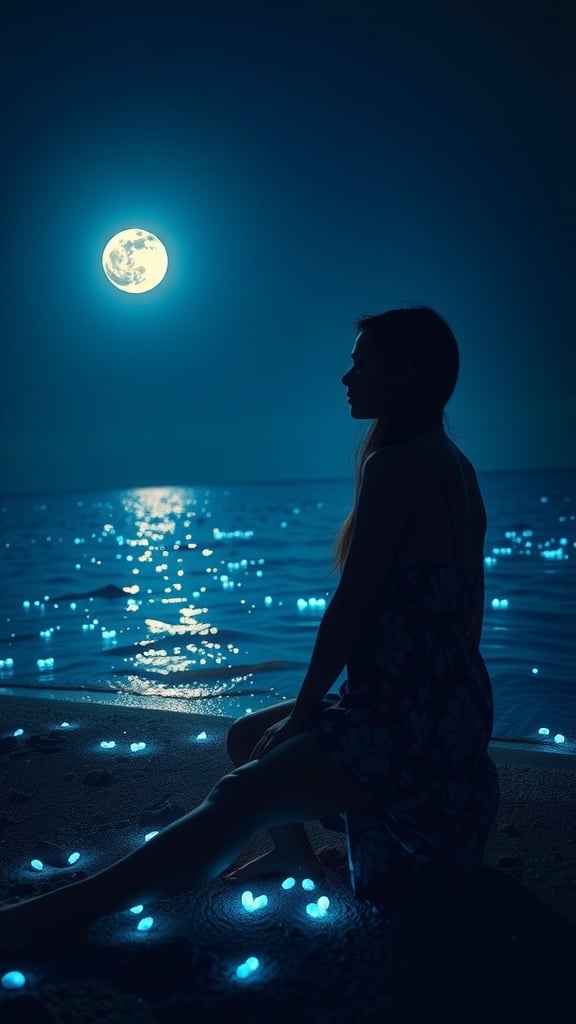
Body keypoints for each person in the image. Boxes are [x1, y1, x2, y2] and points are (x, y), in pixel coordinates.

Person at [0, 304, 500, 951]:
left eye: (361, 364)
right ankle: (294, 857)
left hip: (409, 721)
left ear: (404, 374)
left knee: (240, 794)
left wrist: (312, 714)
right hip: (447, 707)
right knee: (246, 733)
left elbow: (351, 605)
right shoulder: (457, 467)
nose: (346, 378)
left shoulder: (395, 466)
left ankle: (68, 915)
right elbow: (466, 617)